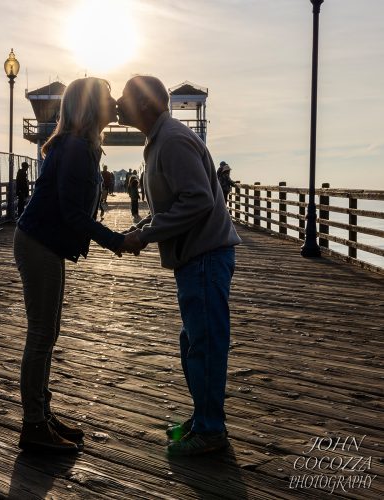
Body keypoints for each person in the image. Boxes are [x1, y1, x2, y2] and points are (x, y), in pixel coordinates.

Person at [14, 77, 139, 453]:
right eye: (107, 97)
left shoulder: (80, 146)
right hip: (39, 243)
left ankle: (43, 414)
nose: (115, 101)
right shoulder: (74, 148)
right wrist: (117, 240)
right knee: (40, 335)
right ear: (88, 107)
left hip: (45, 242)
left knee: (48, 332)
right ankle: (33, 424)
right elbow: (71, 213)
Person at [117, 76, 241, 456]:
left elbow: (199, 200)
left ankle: (210, 430)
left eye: (125, 97)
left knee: (204, 343)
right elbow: (173, 205)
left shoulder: (170, 140)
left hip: (204, 255)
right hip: (195, 257)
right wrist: (140, 230)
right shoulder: (159, 140)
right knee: (193, 341)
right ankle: (204, 416)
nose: (117, 103)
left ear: (145, 104)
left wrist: (145, 235)